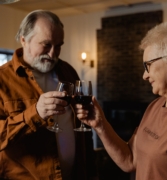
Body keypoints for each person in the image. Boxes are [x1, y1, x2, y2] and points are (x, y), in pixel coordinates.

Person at [75, 21, 167, 180]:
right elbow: (130, 160)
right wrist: (100, 124)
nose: (144, 75)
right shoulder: (154, 106)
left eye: (148, 66)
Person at [0, 10, 98, 180]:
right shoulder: (2, 79)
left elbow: (83, 130)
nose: (53, 54)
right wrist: (35, 113)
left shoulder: (68, 71)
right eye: (46, 45)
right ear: (24, 39)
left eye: (59, 45)